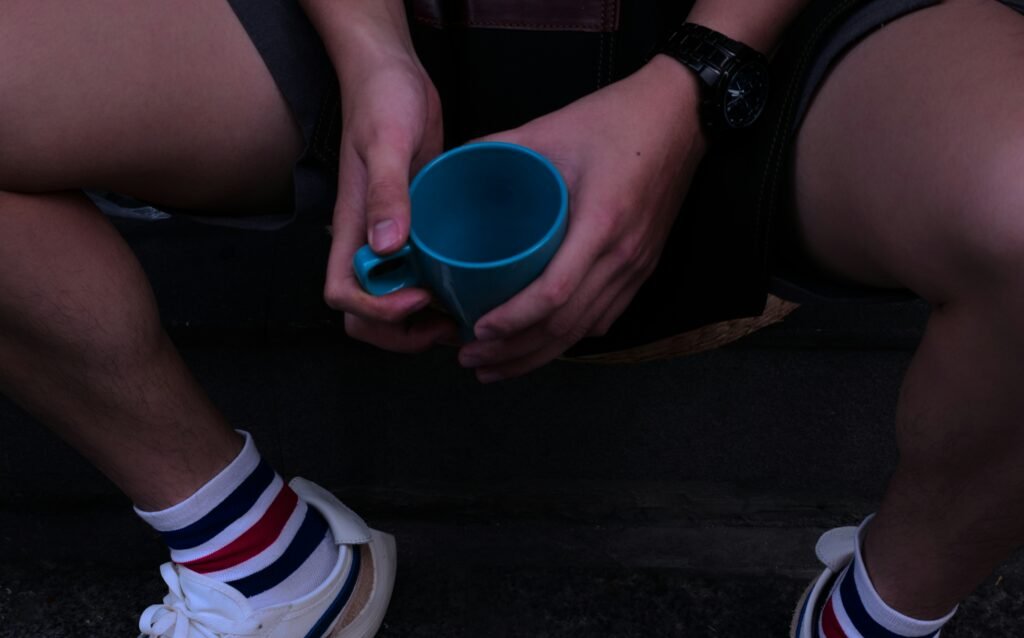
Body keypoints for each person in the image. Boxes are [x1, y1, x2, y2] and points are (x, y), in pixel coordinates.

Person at [1, 0, 1022, 636]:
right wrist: (370, 53)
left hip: (785, 27)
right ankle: (256, 552)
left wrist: (702, 73)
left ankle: (877, 616)